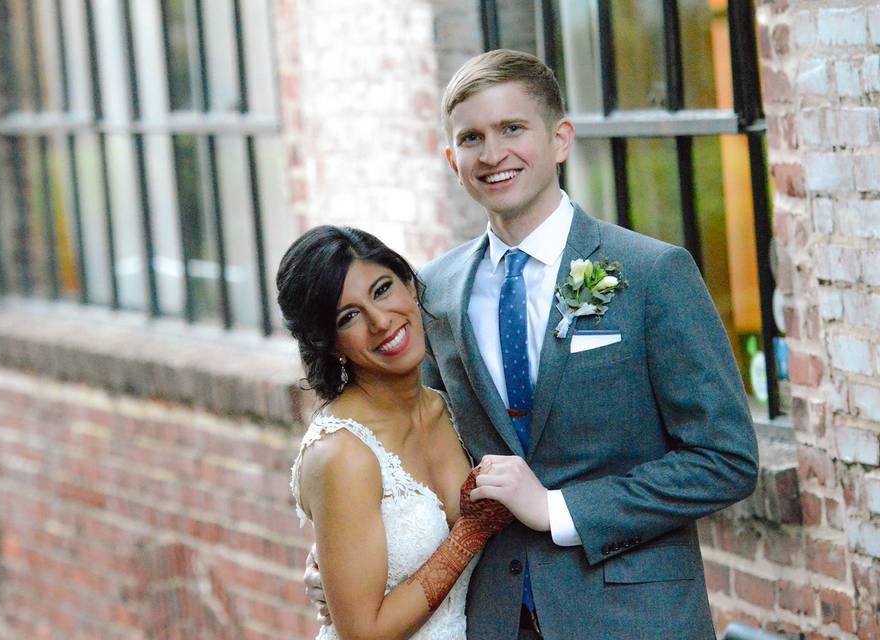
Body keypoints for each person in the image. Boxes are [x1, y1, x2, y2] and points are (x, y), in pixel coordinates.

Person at [304, 49, 759, 640]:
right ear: (452, 160)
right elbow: (415, 448)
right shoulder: (435, 292)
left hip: (633, 616)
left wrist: (558, 509)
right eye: (472, 138)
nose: (493, 155)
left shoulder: (653, 274)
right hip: (491, 616)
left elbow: (725, 460)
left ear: (561, 138)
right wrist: (347, 566)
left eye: (512, 129)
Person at [279, 225, 515, 640]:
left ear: (408, 285)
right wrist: (469, 534)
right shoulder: (341, 453)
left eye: (382, 289)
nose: (380, 321)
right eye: (348, 316)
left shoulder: (453, 410)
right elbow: (362, 633)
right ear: (330, 343)